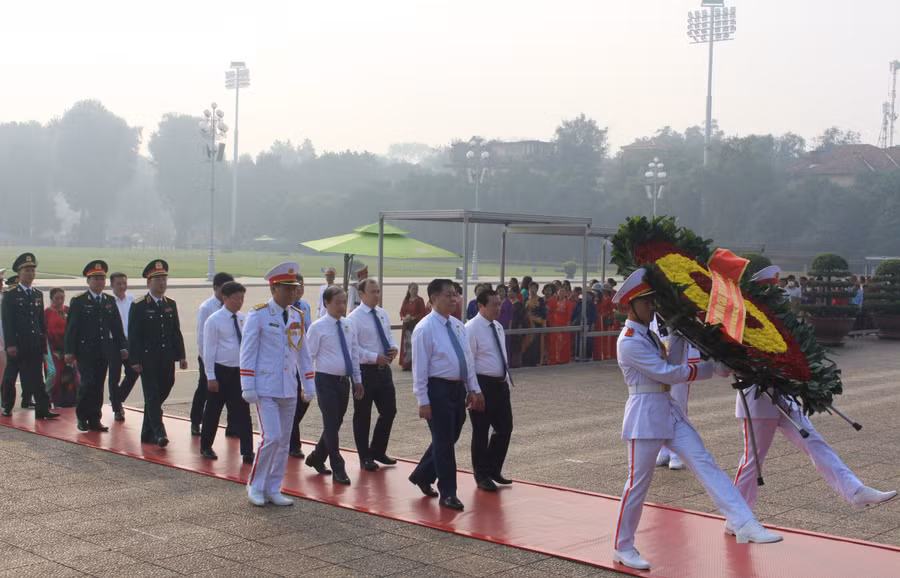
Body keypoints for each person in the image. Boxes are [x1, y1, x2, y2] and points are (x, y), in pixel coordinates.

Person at [611, 268, 781, 571]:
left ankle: (744, 521)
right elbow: (669, 373)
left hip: (667, 408)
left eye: (653, 301)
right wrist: (710, 368)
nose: (653, 307)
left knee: (705, 462)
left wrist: (678, 334)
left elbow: (672, 362)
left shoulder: (648, 334)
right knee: (638, 484)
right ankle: (623, 546)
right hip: (645, 414)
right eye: (647, 302)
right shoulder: (629, 340)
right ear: (631, 305)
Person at [731, 268, 896, 518]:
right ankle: (738, 516)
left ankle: (855, 491)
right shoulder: (744, 323)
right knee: (753, 462)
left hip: (785, 397)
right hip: (759, 401)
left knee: (816, 444)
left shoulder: (781, 322)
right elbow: (733, 365)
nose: (779, 296)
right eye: (772, 290)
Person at [241, 262, 315, 506]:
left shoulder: (297, 315)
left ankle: (273, 487)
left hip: (288, 387)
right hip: (265, 386)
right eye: (288, 288)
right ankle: (255, 485)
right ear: (274, 289)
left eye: (295, 288)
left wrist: (308, 382)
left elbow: (303, 353)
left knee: (283, 441)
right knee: (270, 437)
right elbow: (248, 350)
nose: (294, 292)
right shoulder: (259, 314)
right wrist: (247, 384)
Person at [408, 279, 484, 511]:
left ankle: (422, 474)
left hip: (457, 388)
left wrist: (474, 388)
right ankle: (448, 493)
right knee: (444, 443)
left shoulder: (458, 326)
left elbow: (467, 361)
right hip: (436, 388)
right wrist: (423, 400)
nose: (454, 299)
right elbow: (419, 368)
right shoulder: (425, 328)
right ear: (432, 299)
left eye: (455, 295)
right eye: (448, 295)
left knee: (451, 435)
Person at [304, 286, 362, 485]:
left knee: (335, 423)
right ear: (326, 303)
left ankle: (317, 457)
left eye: (344, 301)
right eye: (337, 302)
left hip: (343, 381)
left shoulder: (348, 325)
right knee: (330, 422)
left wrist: (358, 380)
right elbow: (308, 357)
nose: (342, 306)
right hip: (325, 380)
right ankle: (338, 466)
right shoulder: (318, 327)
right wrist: (305, 384)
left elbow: (354, 353)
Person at [128, 260, 187, 448]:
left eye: (164, 279)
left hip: (167, 358)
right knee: (152, 396)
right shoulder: (139, 305)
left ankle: (147, 432)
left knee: (164, 389)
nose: (162, 283)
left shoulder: (171, 304)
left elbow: (175, 332)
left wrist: (182, 356)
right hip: (148, 359)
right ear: (149, 283)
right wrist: (135, 360)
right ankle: (159, 433)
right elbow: (134, 336)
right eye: (157, 279)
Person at [64, 261, 128, 433]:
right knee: (87, 383)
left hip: (103, 350)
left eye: (102, 278)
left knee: (98, 384)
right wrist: (69, 351)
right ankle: (82, 416)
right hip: (85, 351)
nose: (99, 282)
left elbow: (116, 327)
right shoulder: (79, 301)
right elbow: (71, 328)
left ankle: (95, 419)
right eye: (96, 278)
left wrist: (123, 346)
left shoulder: (108, 301)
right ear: (88, 281)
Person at [465, 289, 514, 492]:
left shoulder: (498, 327)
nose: (498, 308)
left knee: (505, 427)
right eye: (494, 304)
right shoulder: (472, 328)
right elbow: (468, 362)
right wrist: (473, 390)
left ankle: (494, 468)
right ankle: (481, 474)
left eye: (499, 303)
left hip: (500, 385)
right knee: (481, 431)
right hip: (481, 384)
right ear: (481, 306)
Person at [200, 281, 254, 464]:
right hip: (220, 371)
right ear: (225, 298)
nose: (239, 302)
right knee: (213, 411)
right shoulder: (214, 320)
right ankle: (206, 446)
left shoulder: (243, 318)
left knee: (243, 412)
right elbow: (209, 351)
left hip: (239, 372)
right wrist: (211, 377)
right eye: (236, 298)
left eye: (242, 298)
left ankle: (247, 451)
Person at [349, 278, 398, 471]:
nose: (377, 295)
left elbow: (388, 336)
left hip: (383, 370)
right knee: (363, 415)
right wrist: (372, 357)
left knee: (389, 411)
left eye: (378, 291)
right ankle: (364, 456)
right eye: (373, 292)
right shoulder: (354, 318)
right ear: (362, 294)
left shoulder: (382, 313)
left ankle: (377, 450)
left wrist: (393, 348)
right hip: (364, 371)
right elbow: (353, 349)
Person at [1, 253, 57, 419]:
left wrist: (43, 342)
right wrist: (10, 344)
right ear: (19, 273)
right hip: (17, 343)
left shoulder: (37, 294)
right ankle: (7, 405)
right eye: (26, 270)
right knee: (11, 377)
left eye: (32, 270)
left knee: (37, 378)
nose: (30, 274)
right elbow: (8, 322)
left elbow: (40, 322)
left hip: (34, 343)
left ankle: (42, 409)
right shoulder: (11, 295)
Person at [650, 314, 699, 471]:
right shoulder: (650, 315)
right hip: (658, 367)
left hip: (679, 369)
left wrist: (690, 367)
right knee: (660, 409)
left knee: (678, 409)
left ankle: (676, 454)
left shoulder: (678, 310)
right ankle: (664, 450)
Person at [192, 272, 235, 437]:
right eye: (225, 289)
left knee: (232, 395)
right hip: (209, 358)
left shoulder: (230, 305)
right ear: (216, 288)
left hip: (226, 360)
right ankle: (196, 422)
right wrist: (206, 362)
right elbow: (202, 337)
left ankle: (232, 427)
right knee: (203, 390)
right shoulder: (207, 307)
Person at [107, 272, 138, 422]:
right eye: (118, 284)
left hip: (130, 341)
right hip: (113, 342)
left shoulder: (132, 300)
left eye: (124, 283)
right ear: (112, 285)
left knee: (133, 372)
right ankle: (117, 408)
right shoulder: (108, 302)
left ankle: (117, 398)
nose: (122, 286)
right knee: (114, 375)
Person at [288, 273, 312, 459]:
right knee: (294, 402)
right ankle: (294, 444)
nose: (300, 289)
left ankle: (288, 430)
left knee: (305, 400)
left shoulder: (305, 307)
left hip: (304, 361)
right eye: (297, 286)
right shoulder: (284, 309)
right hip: (288, 363)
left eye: (302, 286)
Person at [44, 288, 76, 408]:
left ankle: (65, 399)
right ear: (51, 298)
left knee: (68, 374)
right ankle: (44, 396)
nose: (60, 301)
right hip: (51, 347)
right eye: (57, 298)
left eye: (62, 298)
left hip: (66, 347)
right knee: (54, 373)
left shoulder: (68, 310)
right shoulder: (46, 313)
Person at [399, 282, 426, 371]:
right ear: (409, 290)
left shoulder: (419, 300)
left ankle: (413, 364)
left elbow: (423, 313)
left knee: (414, 344)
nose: (415, 291)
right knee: (407, 345)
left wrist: (413, 317)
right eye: (413, 289)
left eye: (416, 289)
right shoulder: (406, 300)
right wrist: (403, 317)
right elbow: (401, 311)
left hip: (415, 325)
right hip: (406, 325)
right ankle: (406, 363)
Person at [546, 284, 573, 365]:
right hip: (555, 323)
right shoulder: (555, 302)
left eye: (563, 291)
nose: (561, 293)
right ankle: (554, 359)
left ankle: (563, 359)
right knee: (554, 342)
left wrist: (567, 325)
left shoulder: (568, 303)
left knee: (563, 342)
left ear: (565, 293)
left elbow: (569, 315)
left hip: (564, 324)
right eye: (560, 291)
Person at [522, 282, 546, 367]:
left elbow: (543, 314)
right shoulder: (526, 300)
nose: (532, 290)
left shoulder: (540, 300)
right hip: (527, 325)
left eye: (534, 288)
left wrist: (535, 319)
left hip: (537, 325)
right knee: (527, 343)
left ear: (537, 289)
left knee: (536, 343)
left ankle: (536, 361)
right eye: (531, 288)